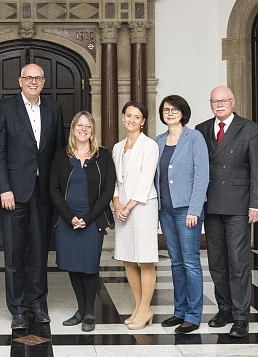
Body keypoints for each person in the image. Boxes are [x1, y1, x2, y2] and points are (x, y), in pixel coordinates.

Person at [0, 63, 65, 330]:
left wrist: (57, 192)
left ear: (43, 82)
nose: (33, 82)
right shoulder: (5, 108)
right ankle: (18, 309)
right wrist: (4, 188)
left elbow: (58, 154)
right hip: (14, 192)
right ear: (20, 81)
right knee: (14, 254)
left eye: (38, 78)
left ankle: (37, 304)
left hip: (43, 193)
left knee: (39, 252)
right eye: (28, 78)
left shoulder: (54, 109)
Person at [195, 86, 258, 338]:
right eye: (215, 101)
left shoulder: (249, 128)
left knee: (238, 262)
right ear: (210, 104)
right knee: (217, 262)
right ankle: (223, 309)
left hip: (238, 205)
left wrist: (256, 204)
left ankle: (241, 316)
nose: (220, 104)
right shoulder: (201, 129)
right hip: (211, 205)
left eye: (224, 100)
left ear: (233, 102)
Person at [50, 111, 116, 332]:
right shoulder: (61, 155)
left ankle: (89, 312)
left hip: (93, 220)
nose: (84, 129)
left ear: (92, 130)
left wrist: (87, 218)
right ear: (73, 129)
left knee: (89, 267)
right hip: (67, 220)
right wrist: (70, 217)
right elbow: (54, 189)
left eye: (88, 126)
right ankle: (80, 310)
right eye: (80, 125)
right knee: (73, 266)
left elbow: (108, 190)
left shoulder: (103, 156)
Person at [154, 95, 209, 334]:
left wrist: (195, 209)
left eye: (174, 109)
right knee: (175, 263)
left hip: (187, 211)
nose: (170, 113)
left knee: (190, 262)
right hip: (165, 210)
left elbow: (202, 176)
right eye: (166, 110)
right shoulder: (157, 141)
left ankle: (193, 315)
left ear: (183, 112)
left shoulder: (194, 137)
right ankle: (179, 311)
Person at [111, 101, 159, 330]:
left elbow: (145, 180)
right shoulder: (117, 147)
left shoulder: (149, 146)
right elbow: (116, 181)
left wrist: (128, 207)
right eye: (128, 115)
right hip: (123, 209)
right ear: (123, 118)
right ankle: (140, 308)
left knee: (145, 258)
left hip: (142, 207)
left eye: (136, 117)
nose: (131, 120)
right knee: (128, 258)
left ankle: (145, 307)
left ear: (143, 121)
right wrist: (117, 203)